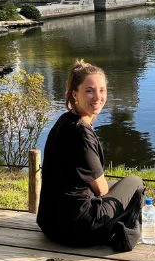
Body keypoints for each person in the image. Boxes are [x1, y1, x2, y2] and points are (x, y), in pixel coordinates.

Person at [37, 60, 145, 251]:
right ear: (74, 94)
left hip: (50, 225)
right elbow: (102, 190)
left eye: (102, 90)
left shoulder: (65, 121)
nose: (98, 97)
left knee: (119, 186)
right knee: (135, 182)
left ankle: (122, 226)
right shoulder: (80, 133)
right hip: (79, 228)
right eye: (90, 90)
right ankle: (124, 233)